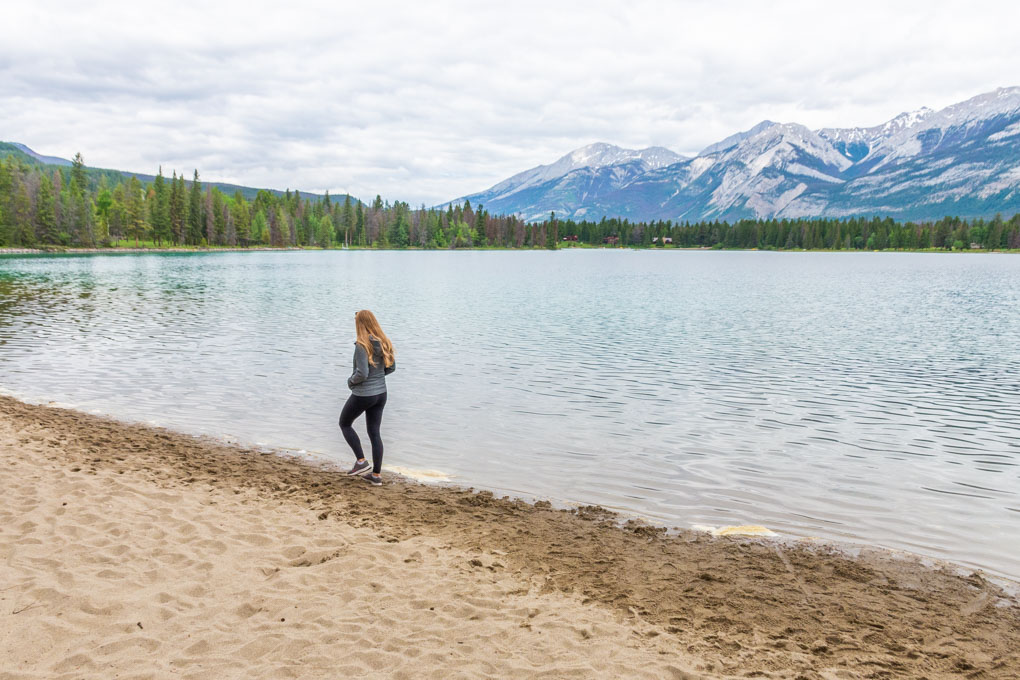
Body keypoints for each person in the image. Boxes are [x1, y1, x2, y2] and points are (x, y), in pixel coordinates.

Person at [340, 310, 396, 486]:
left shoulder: (361, 344)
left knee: (344, 423)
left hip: (364, 394)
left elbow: (362, 373)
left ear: (360, 324)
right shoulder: (384, 341)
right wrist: (378, 378)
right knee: (374, 433)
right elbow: (391, 368)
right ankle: (376, 476)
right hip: (381, 394)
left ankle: (361, 461)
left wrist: (351, 382)